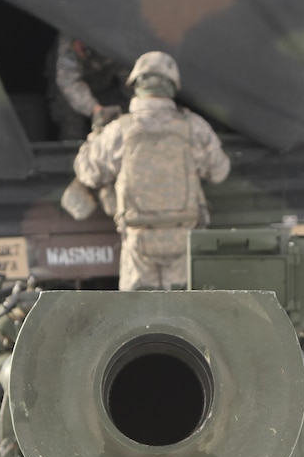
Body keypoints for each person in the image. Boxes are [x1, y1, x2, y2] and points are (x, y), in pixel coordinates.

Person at [73, 51, 230, 290]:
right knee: (184, 319)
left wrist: (95, 134)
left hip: (139, 243)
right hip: (183, 240)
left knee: (137, 320)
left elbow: (88, 172)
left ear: (136, 84)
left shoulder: (119, 131)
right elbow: (219, 172)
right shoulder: (193, 127)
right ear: (172, 86)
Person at [46, 35, 129, 141]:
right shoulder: (70, 40)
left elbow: (128, 76)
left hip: (105, 82)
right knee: (72, 123)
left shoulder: (118, 40)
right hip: (67, 86)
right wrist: (95, 109)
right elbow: (68, 81)